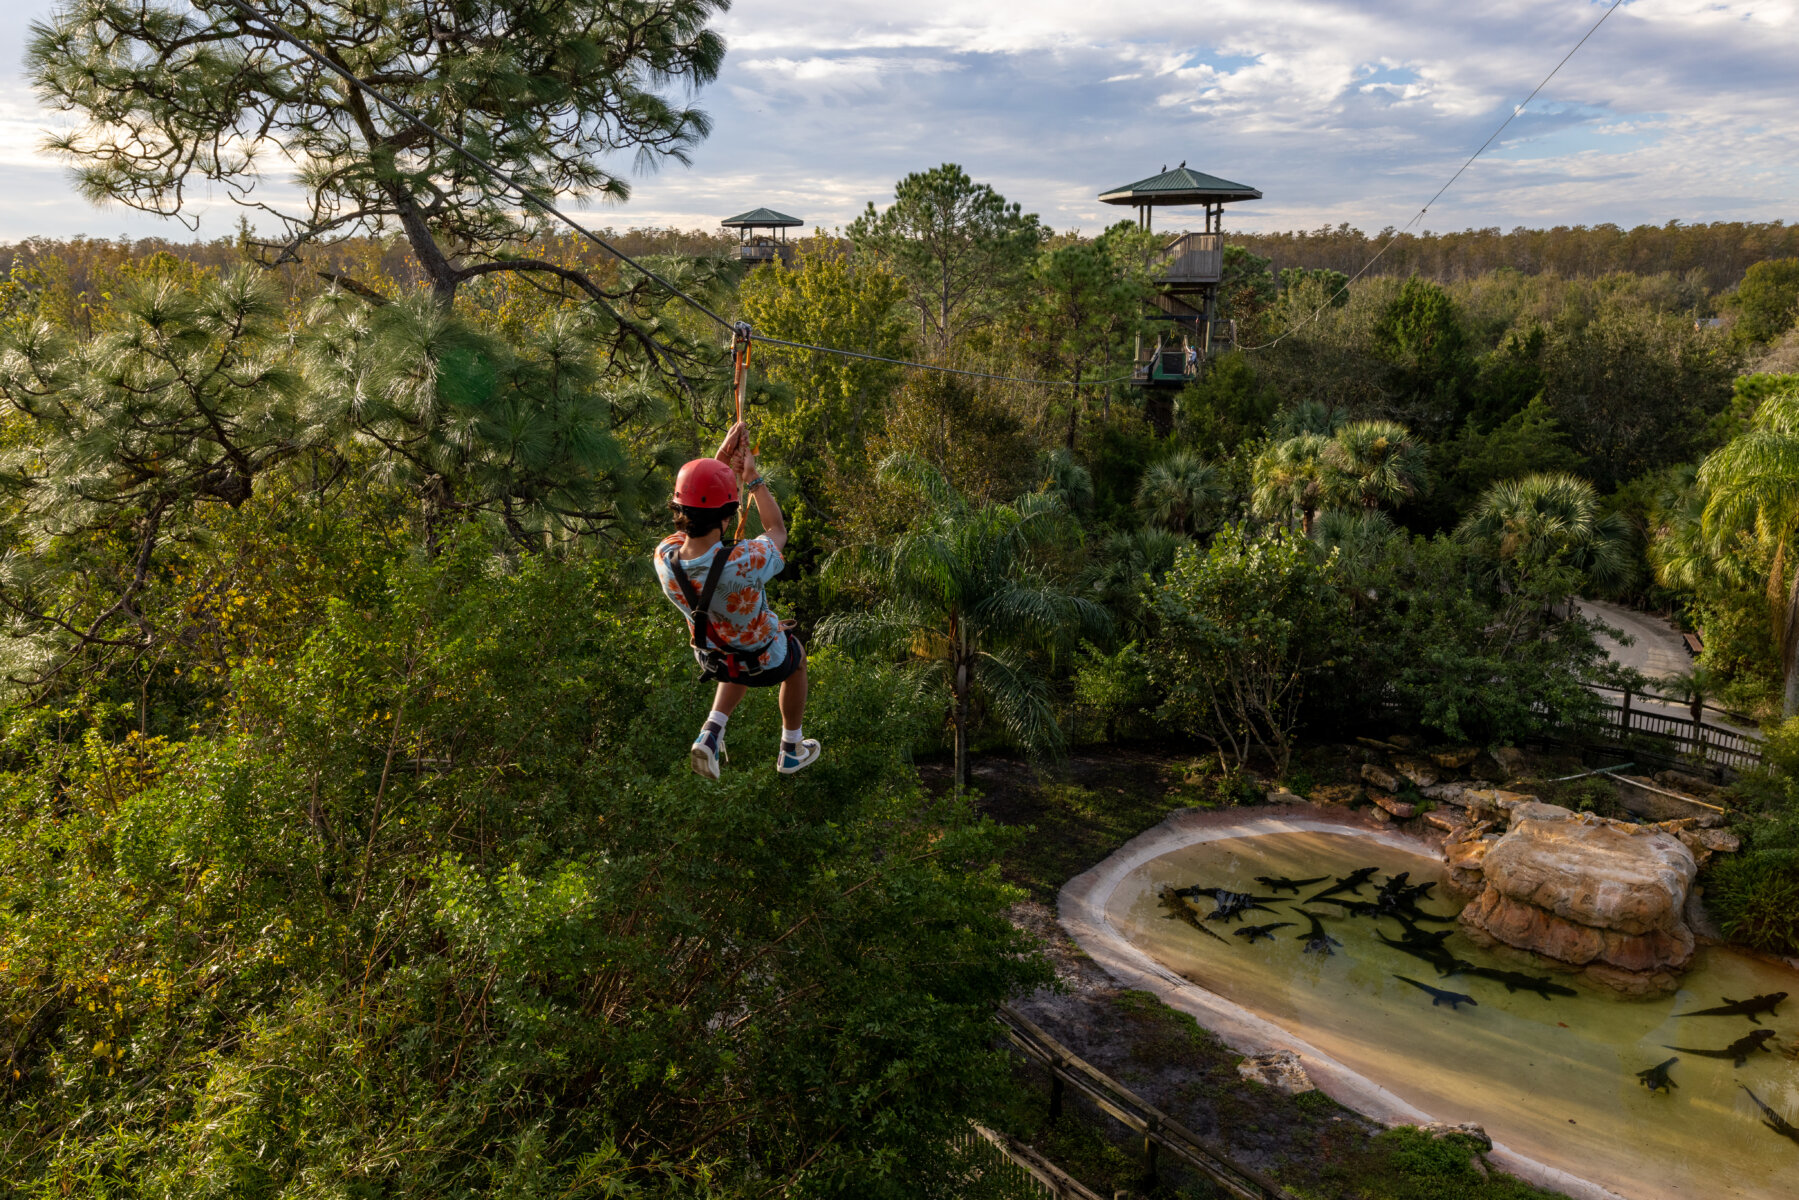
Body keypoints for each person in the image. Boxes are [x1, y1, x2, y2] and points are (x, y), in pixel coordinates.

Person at [653, 422, 820, 780]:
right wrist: (754, 479)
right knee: (797, 658)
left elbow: (698, 516)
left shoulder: (665, 558)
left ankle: (711, 733)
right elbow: (777, 530)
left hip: (713, 655)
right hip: (763, 658)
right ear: (728, 517)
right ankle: (791, 746)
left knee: (733, 647)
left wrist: (720, 464)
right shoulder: (746, 562)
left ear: (680, 510)